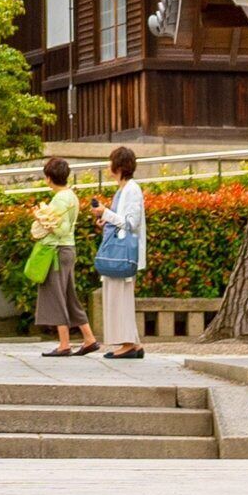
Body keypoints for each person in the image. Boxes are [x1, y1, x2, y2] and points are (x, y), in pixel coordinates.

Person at [30, 156, 95, 356]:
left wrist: (42, 220)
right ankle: (88, 338)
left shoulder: (59, 199)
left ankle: (64, 343)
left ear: (49, 177)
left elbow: (60, 228)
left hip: (57, 250)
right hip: (68, 249)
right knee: (68, 295)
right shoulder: (71, 195)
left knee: (56, 295)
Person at [98, 144, 148, 359]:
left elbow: (130, 223)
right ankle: (133, 342)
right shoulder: (124, 189)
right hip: (120, 250)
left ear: (117, 165)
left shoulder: (131, 189)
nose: (108, 167)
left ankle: (127, 344)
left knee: (121, 298)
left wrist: (105, 213)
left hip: (124, 253)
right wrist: (105, 218)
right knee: (119, 297)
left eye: (111, 162)